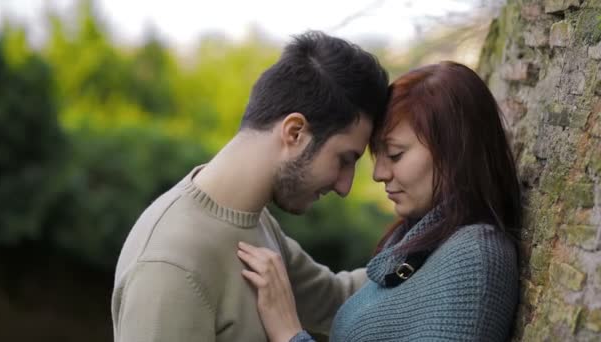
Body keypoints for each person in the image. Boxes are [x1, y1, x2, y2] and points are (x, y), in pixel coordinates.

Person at [111, 31, 389, 341]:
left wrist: (438, 241)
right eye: (344, 159)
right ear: (295, 132)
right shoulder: (170, 263)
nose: (345, 186)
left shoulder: (252, 220)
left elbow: (340, 298)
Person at [238, 61, 523, 342]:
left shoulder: (475, 257)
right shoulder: (418, 241)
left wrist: (288, 334)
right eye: (378, 157)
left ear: (455, 152)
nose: (379, 174)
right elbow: (332, 294)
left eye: (396, 154)